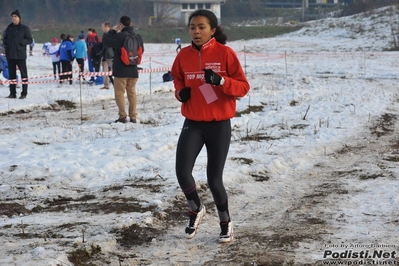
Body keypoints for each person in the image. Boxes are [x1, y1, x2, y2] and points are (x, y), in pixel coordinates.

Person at [171, 9, 250, 243]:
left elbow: (243, 87)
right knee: (182, 172)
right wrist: (180, 92)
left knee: (214, 179)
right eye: (192, 27)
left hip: (218, 124)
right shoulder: (183, 55)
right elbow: (177, 77)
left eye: (201, 27)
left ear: (212, 30)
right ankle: (195, 208)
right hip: (193, 122)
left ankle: (225, 221)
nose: (196, 31)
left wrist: (222, 81)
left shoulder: (225, 54)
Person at [103, 15, 144, 123]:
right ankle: (133, 116)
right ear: (131, 24)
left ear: (121, 25)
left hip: (120, 70)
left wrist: (112, 31)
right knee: (132, 93)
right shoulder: (138, 37)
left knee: (119, 93)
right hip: (133, 70)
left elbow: (106, 41)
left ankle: (122, 116)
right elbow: (141, 50)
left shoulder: (120, 36)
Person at [2, 9, 33, 99]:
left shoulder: (24, 28)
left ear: (19, 18)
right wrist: (6, 43)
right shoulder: (9, 28)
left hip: (20, 55)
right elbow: (4, 38)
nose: (13, 18)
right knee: (12, 75)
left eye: (15, 17)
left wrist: (21, 42)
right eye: (12, 17)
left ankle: (24, 93)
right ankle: (12, 93)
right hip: (10, 55)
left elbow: (29, 40)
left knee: (24, 74)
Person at [101, 22, 114, 90]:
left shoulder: (112, 33)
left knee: (114, 70)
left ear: (106, 27)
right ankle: (106, 85)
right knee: (104, 71)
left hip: (111, 55)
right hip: (105, 55)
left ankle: (116, 84)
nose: (102, 28)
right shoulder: (104, 34)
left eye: (103, 27)